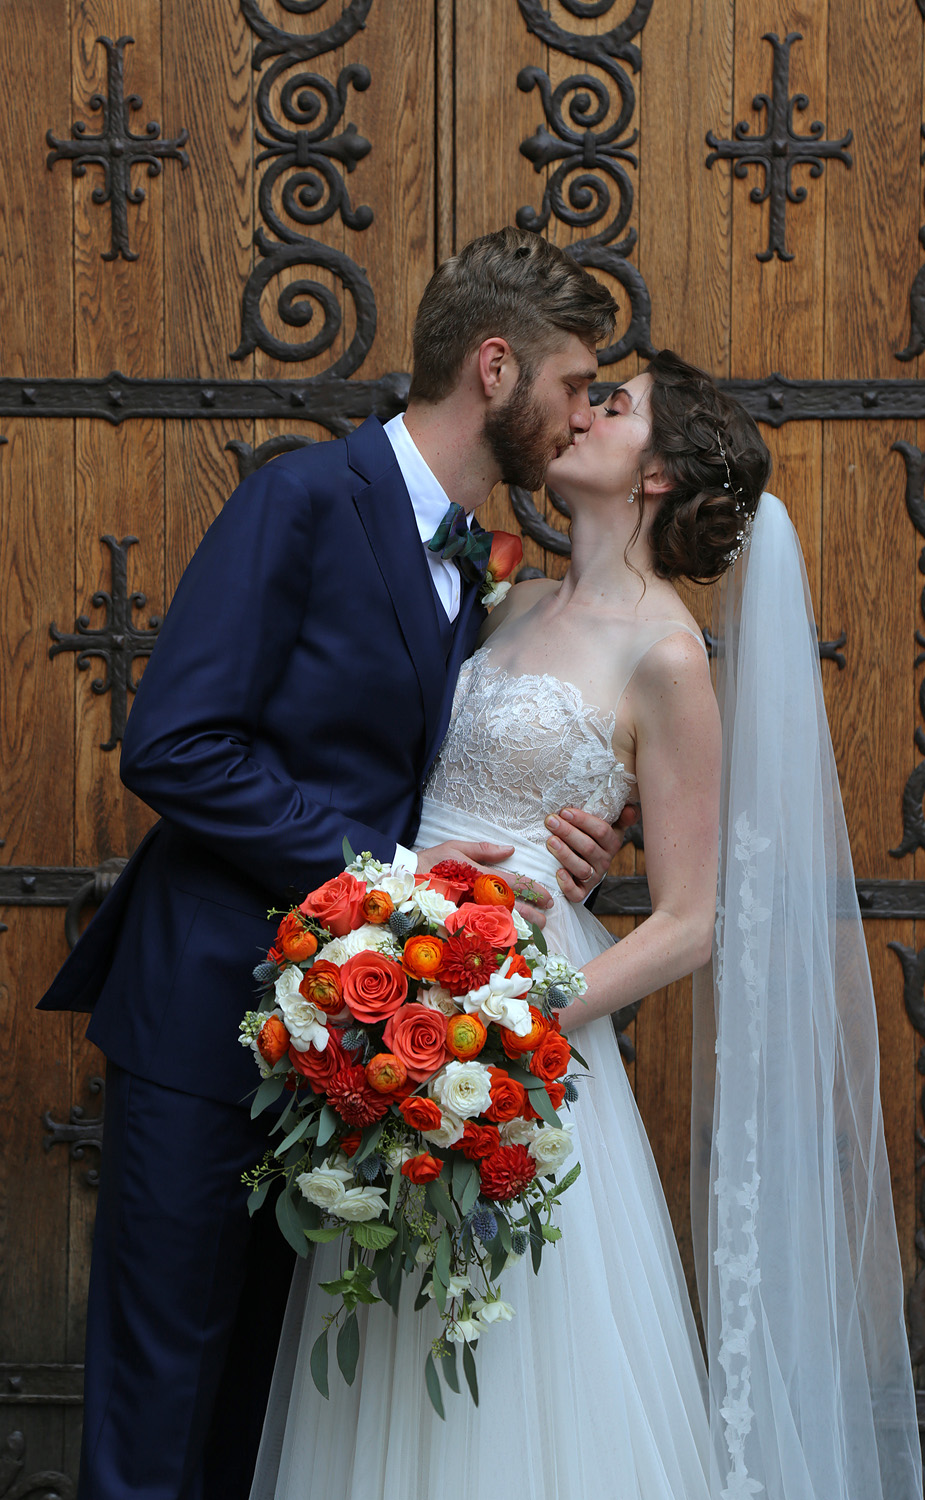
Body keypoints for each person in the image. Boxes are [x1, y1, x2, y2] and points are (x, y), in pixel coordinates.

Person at [250, 350, 923, 1500]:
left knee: (514, 1353)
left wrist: (519, 1010)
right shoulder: (503, 595)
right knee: (396, 1331)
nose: (582, 411)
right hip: (404, 983)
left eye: (614, 406)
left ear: (656, 475)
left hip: (519, 1033)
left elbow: (694, 919)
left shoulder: (665, 658)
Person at [36, 227, 633, 1500]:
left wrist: (576, 819)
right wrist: (392, 865)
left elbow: (453, 755)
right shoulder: (302, 500)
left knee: (259, 1407)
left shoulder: (479, 562)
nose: (584, 412)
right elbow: (176, 744)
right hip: (208, 1012)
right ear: (495, 366)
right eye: (576, 382)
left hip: (345, 1053)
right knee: (160, 1406)